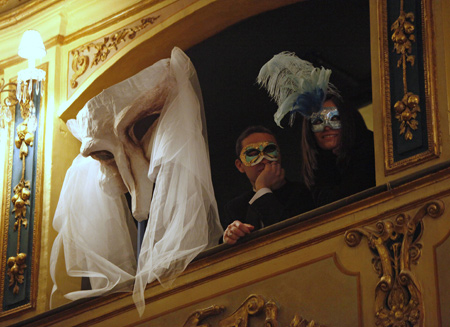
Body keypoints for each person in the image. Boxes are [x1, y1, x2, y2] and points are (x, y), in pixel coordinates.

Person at [257, 51, 375, 207]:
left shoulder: (370, 153)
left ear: (347, 121)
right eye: (318, 121)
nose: (326, 127)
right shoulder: (317, 175)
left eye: (334, 118)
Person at [221, 125, 314, 245]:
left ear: (279, 155)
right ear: (240, 166)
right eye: (253, 153)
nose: (264, 159)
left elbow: (290, 237)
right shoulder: (235, 208)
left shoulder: (303, 192)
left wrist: (262, 189)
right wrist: (229, 237)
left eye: (270, 150)